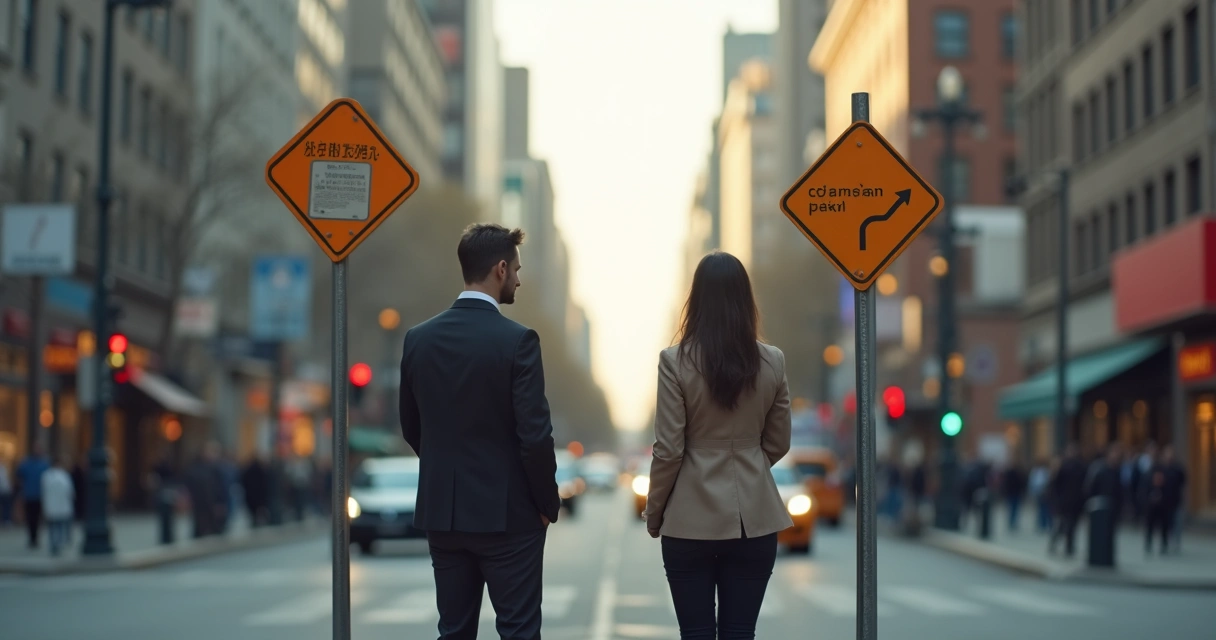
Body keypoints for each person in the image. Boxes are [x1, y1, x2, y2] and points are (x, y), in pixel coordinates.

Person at [399, 223, 560, 640]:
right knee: (519, 631)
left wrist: (446, 469)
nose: (521, 279)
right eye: (518, 270)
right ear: (501, 269)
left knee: (453, 631)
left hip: (444, 515)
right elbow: (535, 436)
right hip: (509, 515)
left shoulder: (418, 340)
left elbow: (411, 426)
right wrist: (546, 503)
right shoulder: (519, 340)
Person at [643, 251, 792, 640]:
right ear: (746, 300)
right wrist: (748, 464)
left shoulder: (675, 361)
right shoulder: (773, 361)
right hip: (755, 522)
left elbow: (669, 449)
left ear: (696, 300)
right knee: (740, 632)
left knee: (695, 634)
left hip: (688, 522)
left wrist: (655, 512)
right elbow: (778, 442)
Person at [16, 443, 50, 549]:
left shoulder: (44, 464)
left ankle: (35, 538)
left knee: (37, 518)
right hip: (29, 495)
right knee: (30, 518)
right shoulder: (26, 463)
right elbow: (19, 475)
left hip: (40, 495)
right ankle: (32, 538)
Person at [41, 457, 75, 556]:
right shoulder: (48, 475)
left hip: (61, 505)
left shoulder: (63, 475)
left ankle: (58, 544)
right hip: (53, 505)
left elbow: (70, 491)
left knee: (59, 525)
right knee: (53, 526)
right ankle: (54, 545)